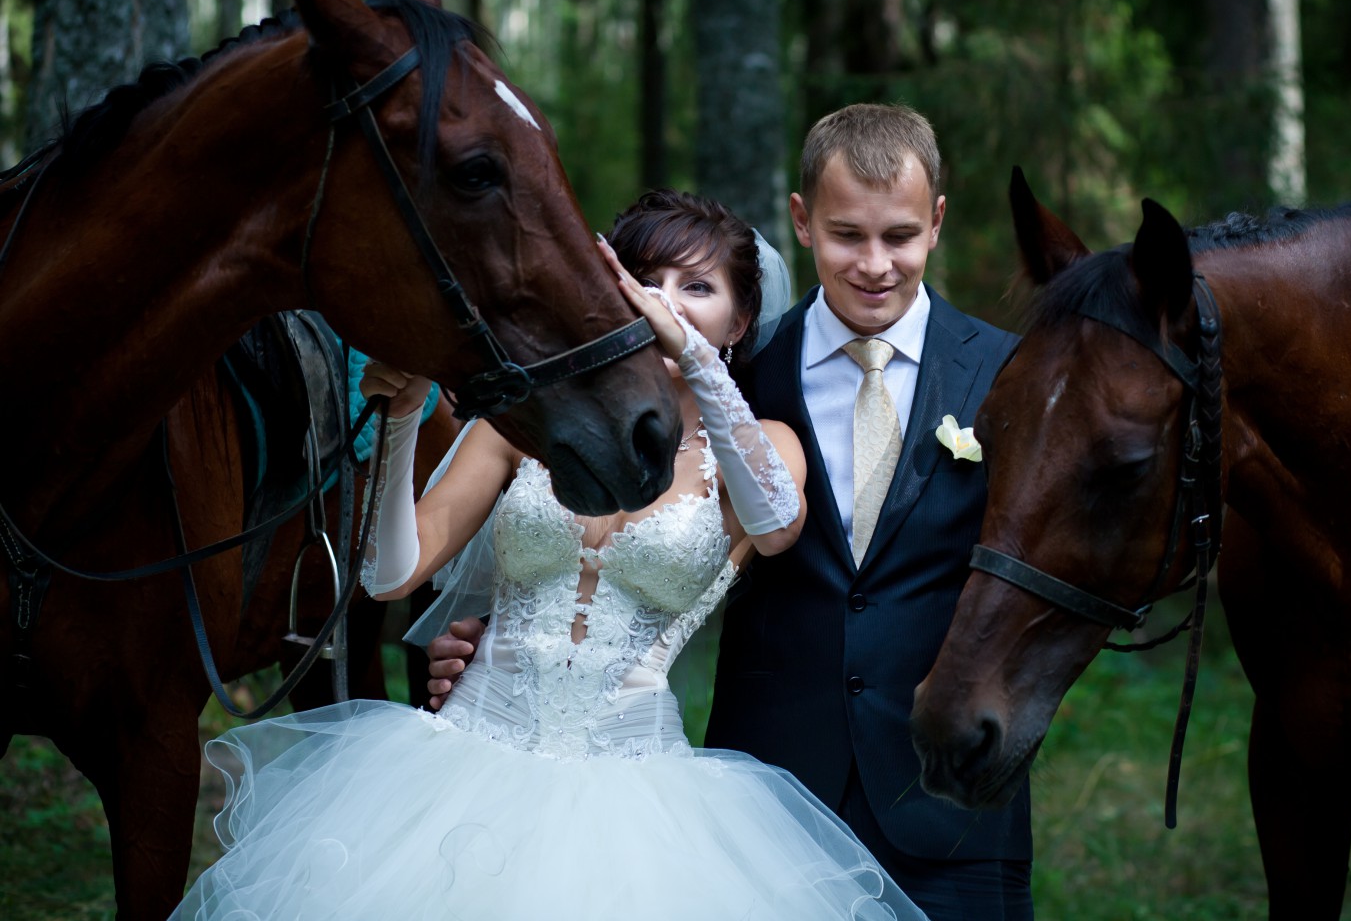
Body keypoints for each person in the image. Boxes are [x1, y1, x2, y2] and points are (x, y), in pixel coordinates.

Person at [171, 189, 928, 920]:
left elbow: (775, 522)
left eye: (697, 287)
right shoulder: (524, 427)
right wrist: (402, 421)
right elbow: (390, 573)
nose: (661, 302)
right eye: (641, 283)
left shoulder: (765, 451)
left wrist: (693, 360)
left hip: (637, 792)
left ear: (741, 319)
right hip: (458, 762)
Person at [431, 107, 1034, 919]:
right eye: (846, 235)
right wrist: (489, 637)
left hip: (952, 797)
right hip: (770, 793)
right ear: (801, 221)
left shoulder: (1008, 374)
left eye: (899, 237)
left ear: (937, 222)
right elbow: (591, 530)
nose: (875, 264)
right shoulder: (737, 376)